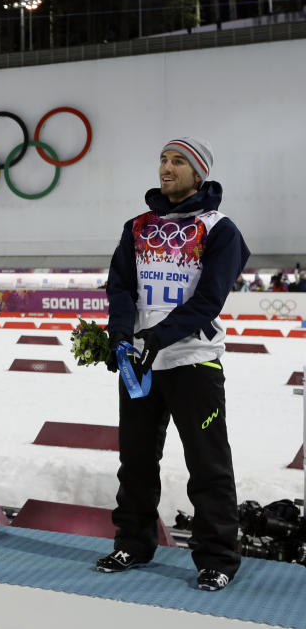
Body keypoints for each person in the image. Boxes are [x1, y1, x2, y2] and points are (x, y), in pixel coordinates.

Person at [101, 137, 248, 591]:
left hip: (194, 361)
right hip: (141, 363)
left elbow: (208, 301)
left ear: (198, 172)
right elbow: (120, 286)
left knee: (208, 465)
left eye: (178, 161)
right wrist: (123, 336)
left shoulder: (221, 230)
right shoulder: (138, 226)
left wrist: (156, 337)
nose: (166, 167)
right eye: (163, 159)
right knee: (137, 461)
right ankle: (133, 542)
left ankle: (218, 557)